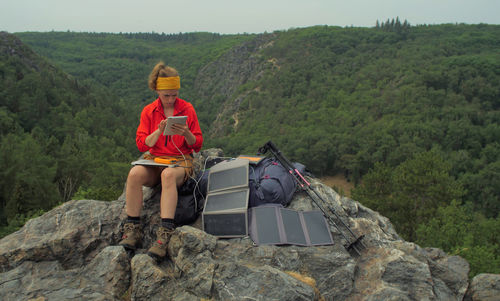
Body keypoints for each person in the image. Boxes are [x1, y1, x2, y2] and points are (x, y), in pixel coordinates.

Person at [119, 62, 203, 260]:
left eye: (174, 94)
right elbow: (142, 144)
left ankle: (165, 233)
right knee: (134, 174)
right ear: (157, 91)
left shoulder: (187, 109)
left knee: (167, 175)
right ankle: (132, 229)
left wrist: (186, 133)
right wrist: (158, 130)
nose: (171, 99)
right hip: (156, 160)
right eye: (167, 95)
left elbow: (197, 145)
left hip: (180, 162)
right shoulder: (149, 111)